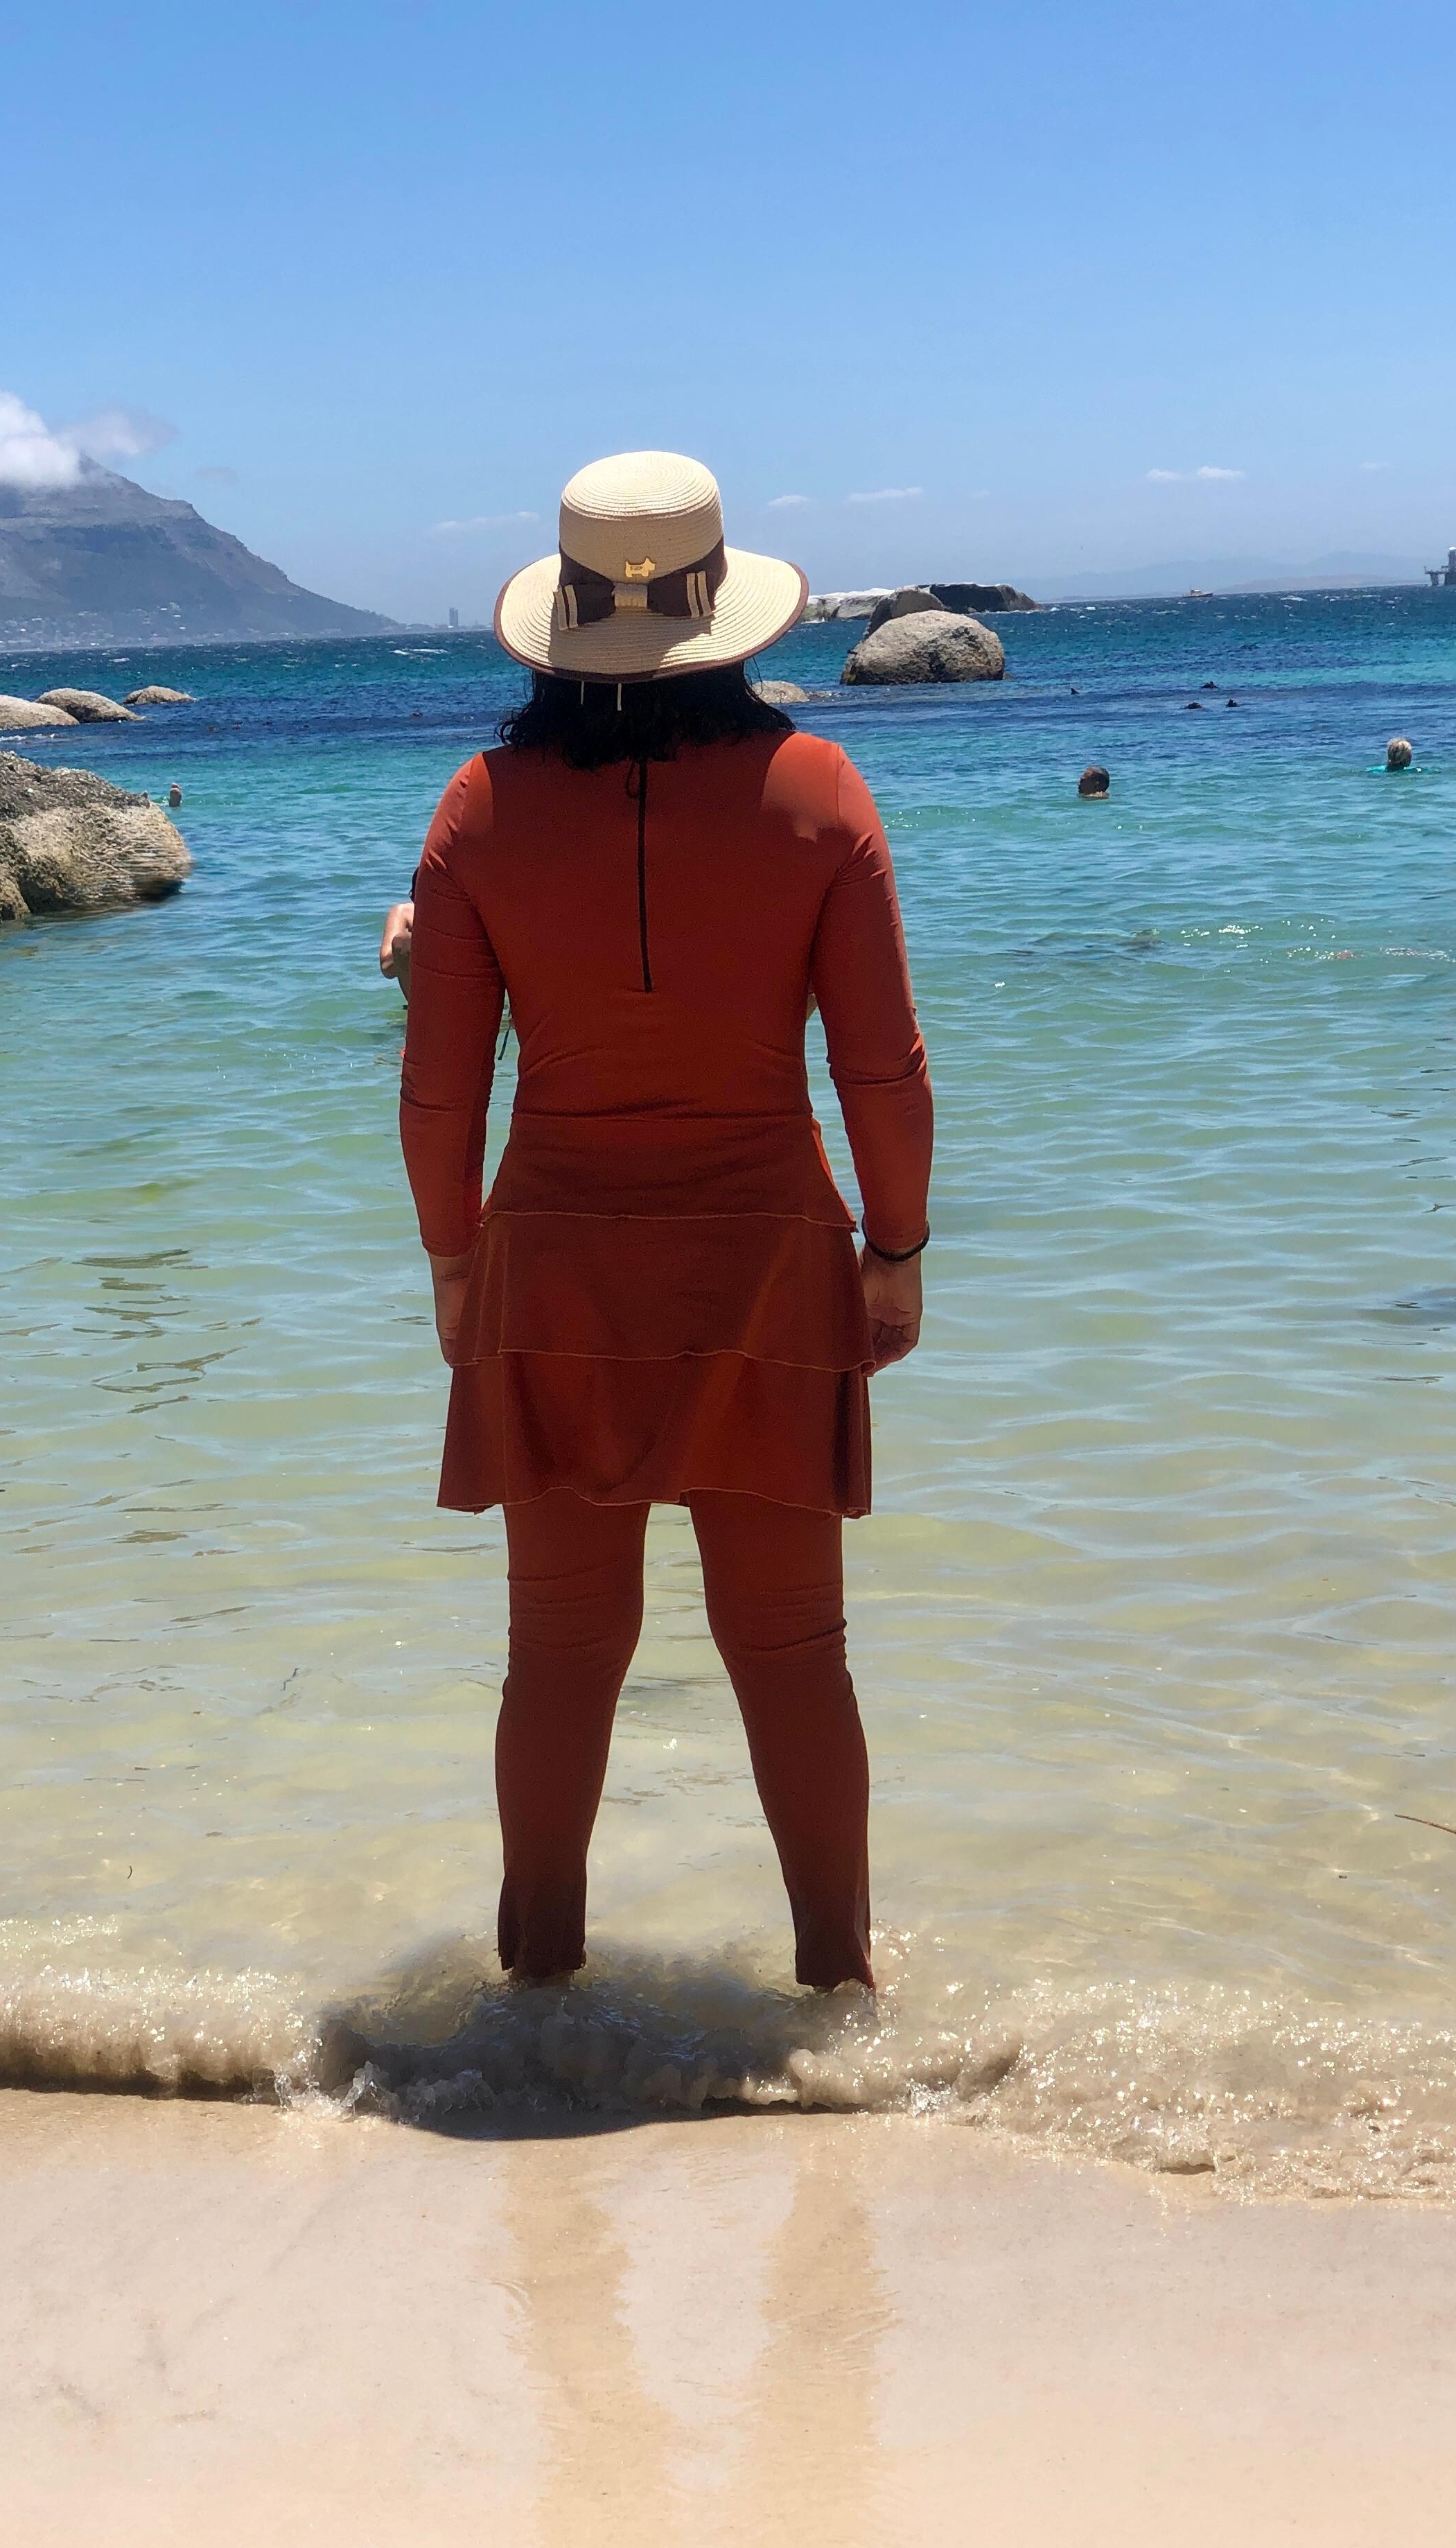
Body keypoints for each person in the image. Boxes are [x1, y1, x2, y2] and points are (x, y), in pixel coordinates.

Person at [399, 451, 932, 1991]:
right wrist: (895, 1252)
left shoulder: (481, 807)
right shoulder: (819, 793)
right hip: (766, 1261)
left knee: (561, 1653)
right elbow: (882, 1070)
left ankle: (535, 1988)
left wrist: (453, 1262)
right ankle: (839, 1991)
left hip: (554, 1264)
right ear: (728, 618)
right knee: (794, 1654)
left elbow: (441, 1093)